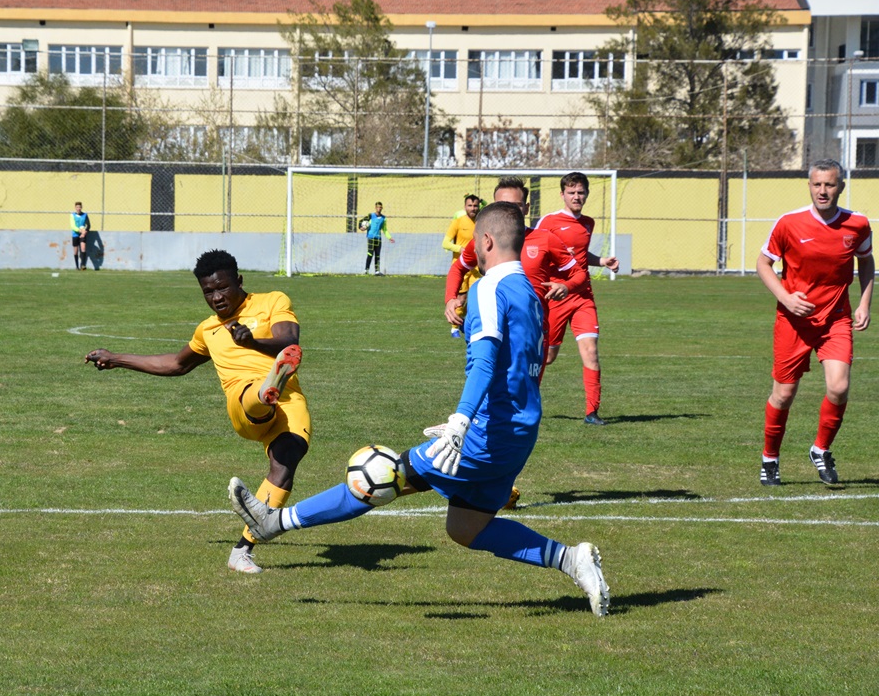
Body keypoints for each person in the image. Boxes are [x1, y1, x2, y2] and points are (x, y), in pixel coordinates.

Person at [229, 203, 609, 617]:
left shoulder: (488, 287)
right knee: (466, 527)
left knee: (382, 475)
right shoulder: (531, 295)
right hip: (518, 431)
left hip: (487, 432)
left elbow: (485, 360)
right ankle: (572, 560)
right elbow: (520, 371)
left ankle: (274, 522)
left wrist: (463, 422)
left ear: (485, 241)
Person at [85, 249, 309, 573]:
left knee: (286, 463)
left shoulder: (273, 300)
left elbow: (290, 340)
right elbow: (176, 364)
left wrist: (253, 343)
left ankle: (242, 551)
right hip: (243, 403)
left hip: (290, 400)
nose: (216, 297)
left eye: (222, 288)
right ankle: (264, 392)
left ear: (239, 281)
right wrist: (116, 358)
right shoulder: (208, 330)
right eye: (208, 292)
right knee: (254, 395)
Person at [443, 175, 585, 510]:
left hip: (529, 335)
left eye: (516, 204)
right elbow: (457, 268)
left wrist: (567, 286)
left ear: (526, 206)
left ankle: (499, 479)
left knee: (516, 405)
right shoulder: (488, 238)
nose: (511, 208)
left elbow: (578, 274)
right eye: (503, 203)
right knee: (489, 391)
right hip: (491, 324)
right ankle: (496, 481)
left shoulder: (544, 238)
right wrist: (450, 299)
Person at [756, 158, 872, 486]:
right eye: (817, 184)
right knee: (783, 395)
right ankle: (770, 458)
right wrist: (786, 297)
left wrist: (864, 303)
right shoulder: (788, 223)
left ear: (841, 187)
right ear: (809, 185)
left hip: (836, 320)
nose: (823, 191)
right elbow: (763, 263)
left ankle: (820, 449)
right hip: (794, 323)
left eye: (830, 184)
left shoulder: (858, 224)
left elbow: (866, 261)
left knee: (839, 386)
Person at [534, 172, 620, 425]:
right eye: (571, 192)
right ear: (562, 194)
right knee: (547, 357)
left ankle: (591, 412)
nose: (576, 196)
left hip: (583, 296)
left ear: (586, 194)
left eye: (580, 192)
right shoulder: (548, 221)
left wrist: (601, 261)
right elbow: (535, 250)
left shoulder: (588, 223)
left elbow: (580, 255)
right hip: (555, 297)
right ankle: (525, 403)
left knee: (591, 351)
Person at [443, 194, 483, 337]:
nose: (473, 208)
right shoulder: (458, 222)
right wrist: (461, 249)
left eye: (475, 205)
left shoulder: (482, 223)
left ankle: (471, 326)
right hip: (461, 267)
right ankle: (455, 327)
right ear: (465, 206)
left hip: (477, 269)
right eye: (470, 205)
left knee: (476, 298)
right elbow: (445, 243)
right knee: (461, 299)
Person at [358, 202, 393, 276]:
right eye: (378, 207)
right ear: (375, 207)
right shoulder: (370, 216)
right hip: (371, 237)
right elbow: (361, 221)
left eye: (380, 207)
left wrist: (389, 237)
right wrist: (361, 227)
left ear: (382, 208)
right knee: (370, 254)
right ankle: (366, 270)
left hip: (378, 238)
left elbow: (384, 229)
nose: (379, 208)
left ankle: (377, 271)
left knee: (377, 255)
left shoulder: (383, 218)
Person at [71, 201, 91, 270]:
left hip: (83, 234)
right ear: (75, 208)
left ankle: (83, 265)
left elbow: (88, 225)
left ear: (81, 207)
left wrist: (84, 232)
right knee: (76, 251)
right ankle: (77, 266)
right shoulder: (72, 215)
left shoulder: (85, 215)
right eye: (77, 207)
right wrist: (80, 230)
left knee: (83, 248)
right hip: (75, 234)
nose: (78, 208)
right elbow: (72, 226)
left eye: (79, 207)